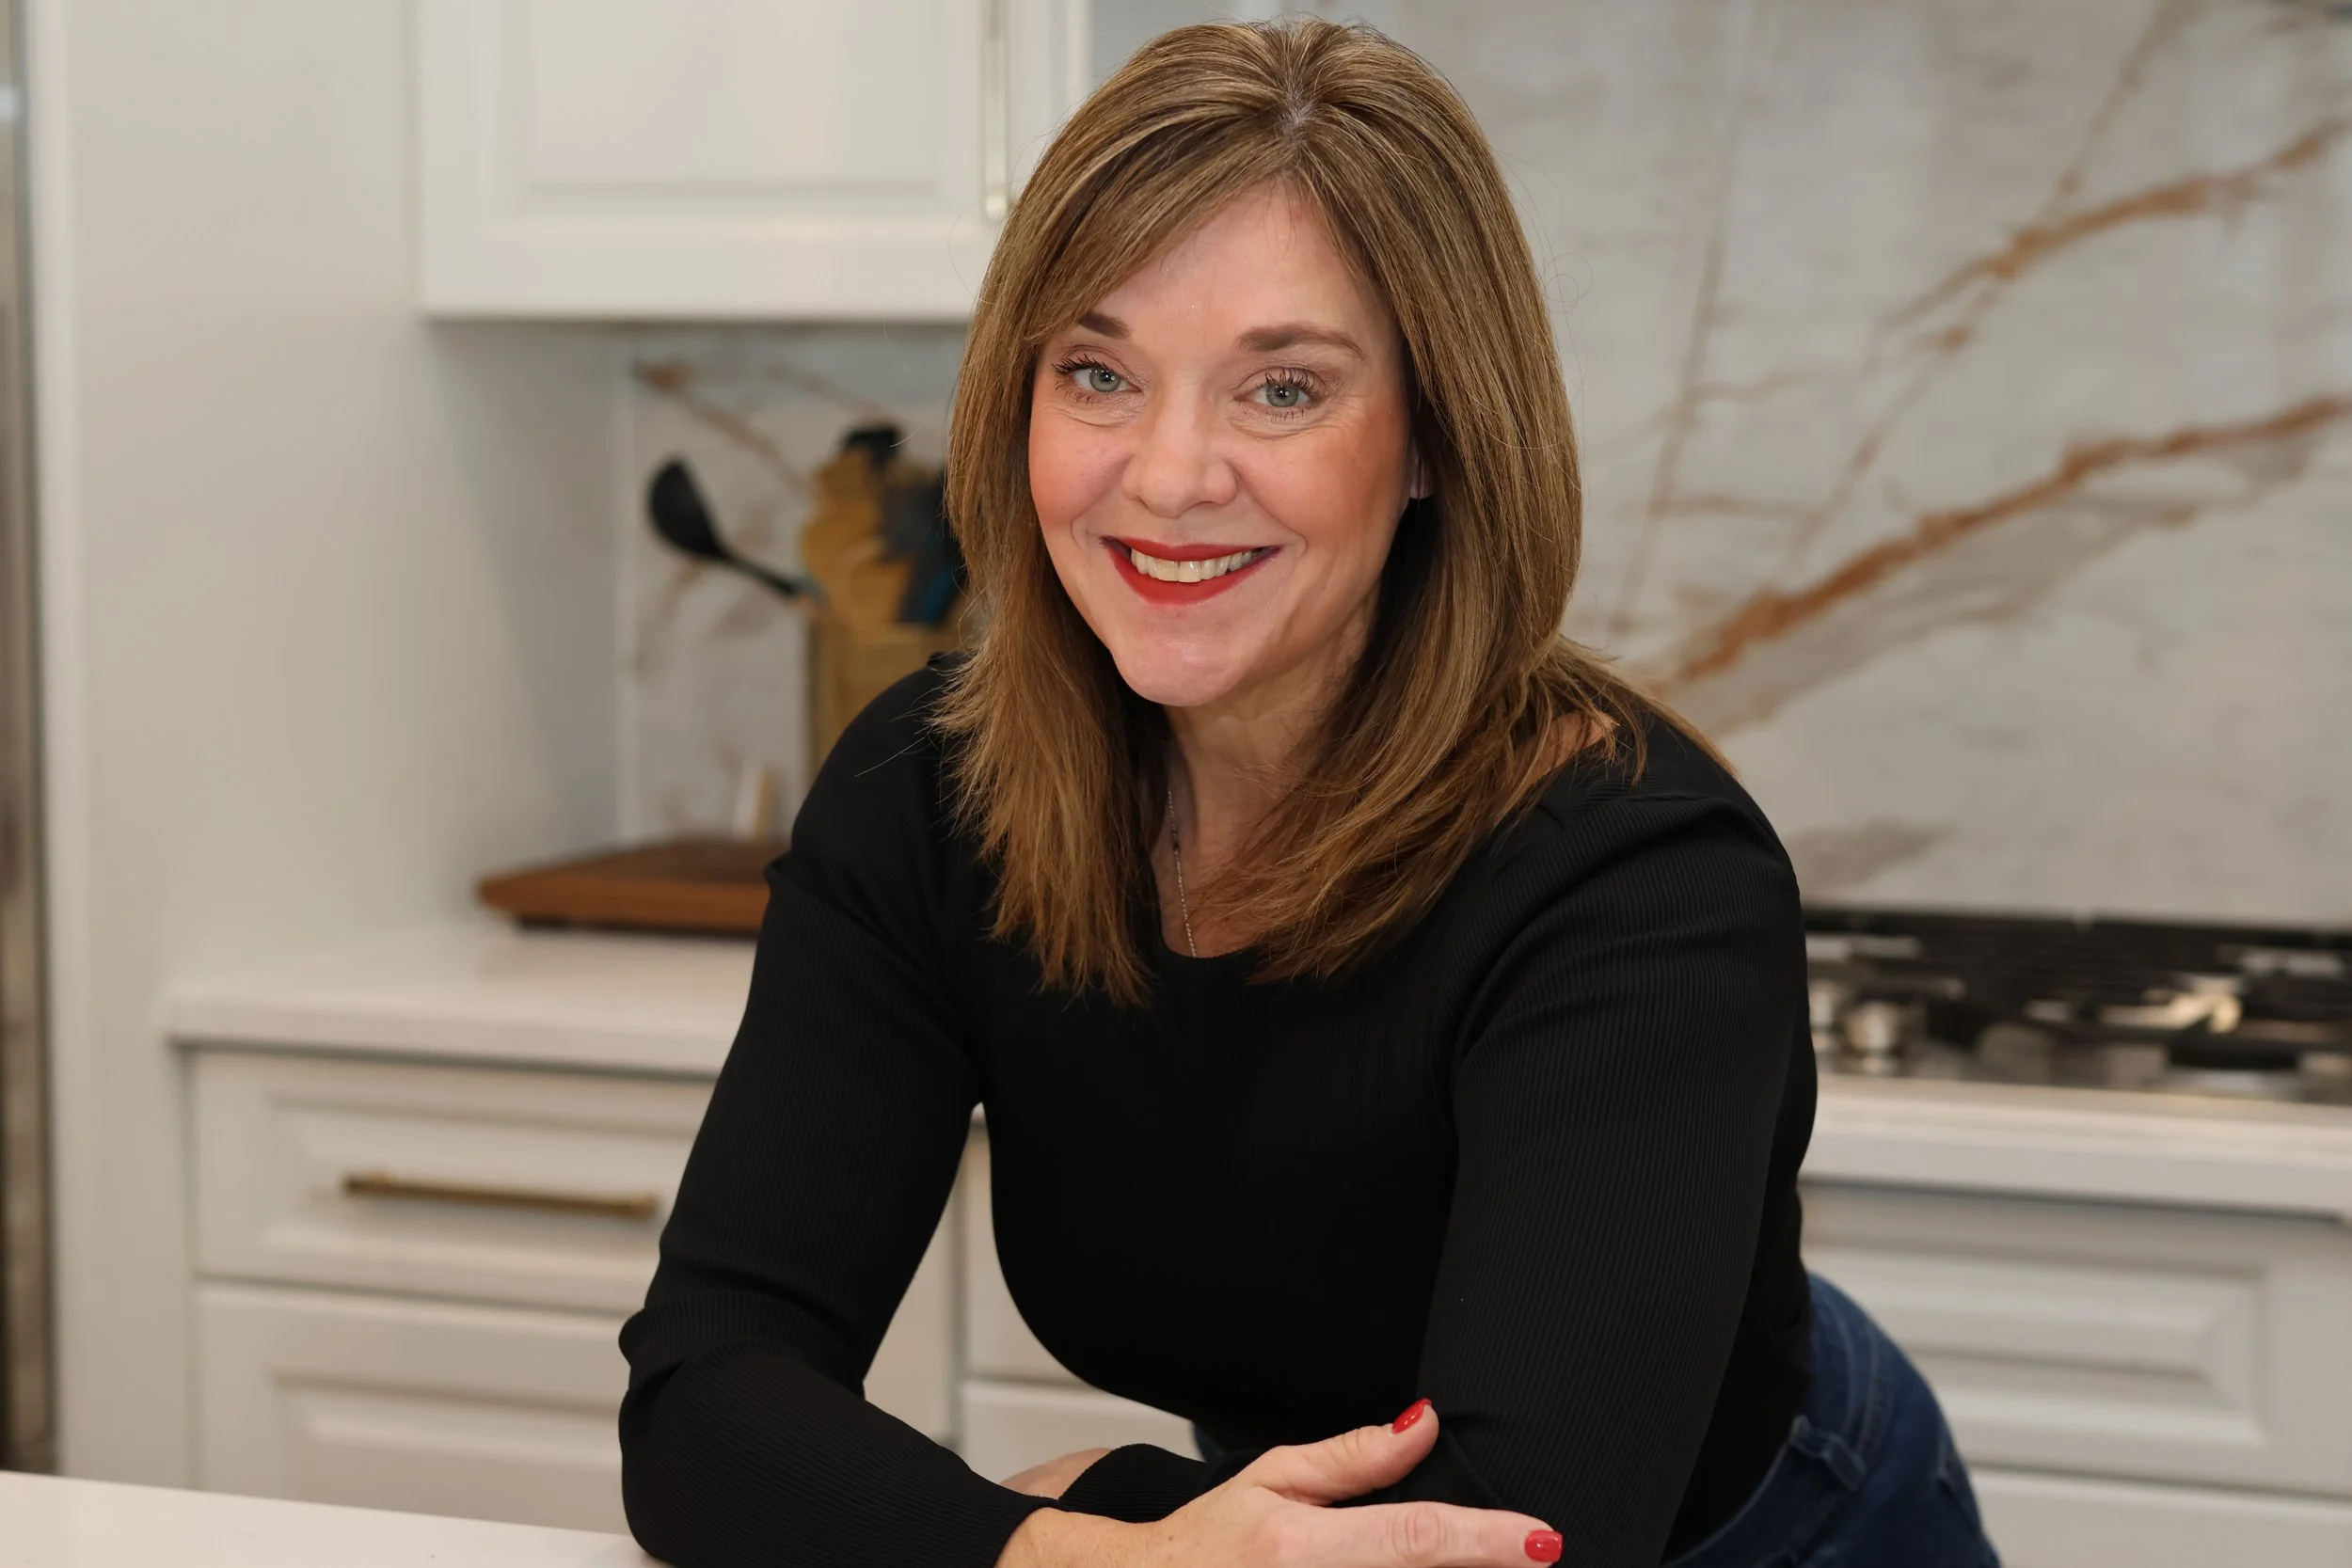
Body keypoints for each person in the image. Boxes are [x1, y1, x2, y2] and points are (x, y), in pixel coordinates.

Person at [618, 18, 1998, 1568]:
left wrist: (1089, 1500)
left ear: (1431, 442)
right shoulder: (927, 793)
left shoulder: (1637, 881)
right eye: (1097, 372)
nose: (1168, 472)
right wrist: (1082, 1544)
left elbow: (1519, 1541)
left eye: (1282, 388)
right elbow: (700, 1403)